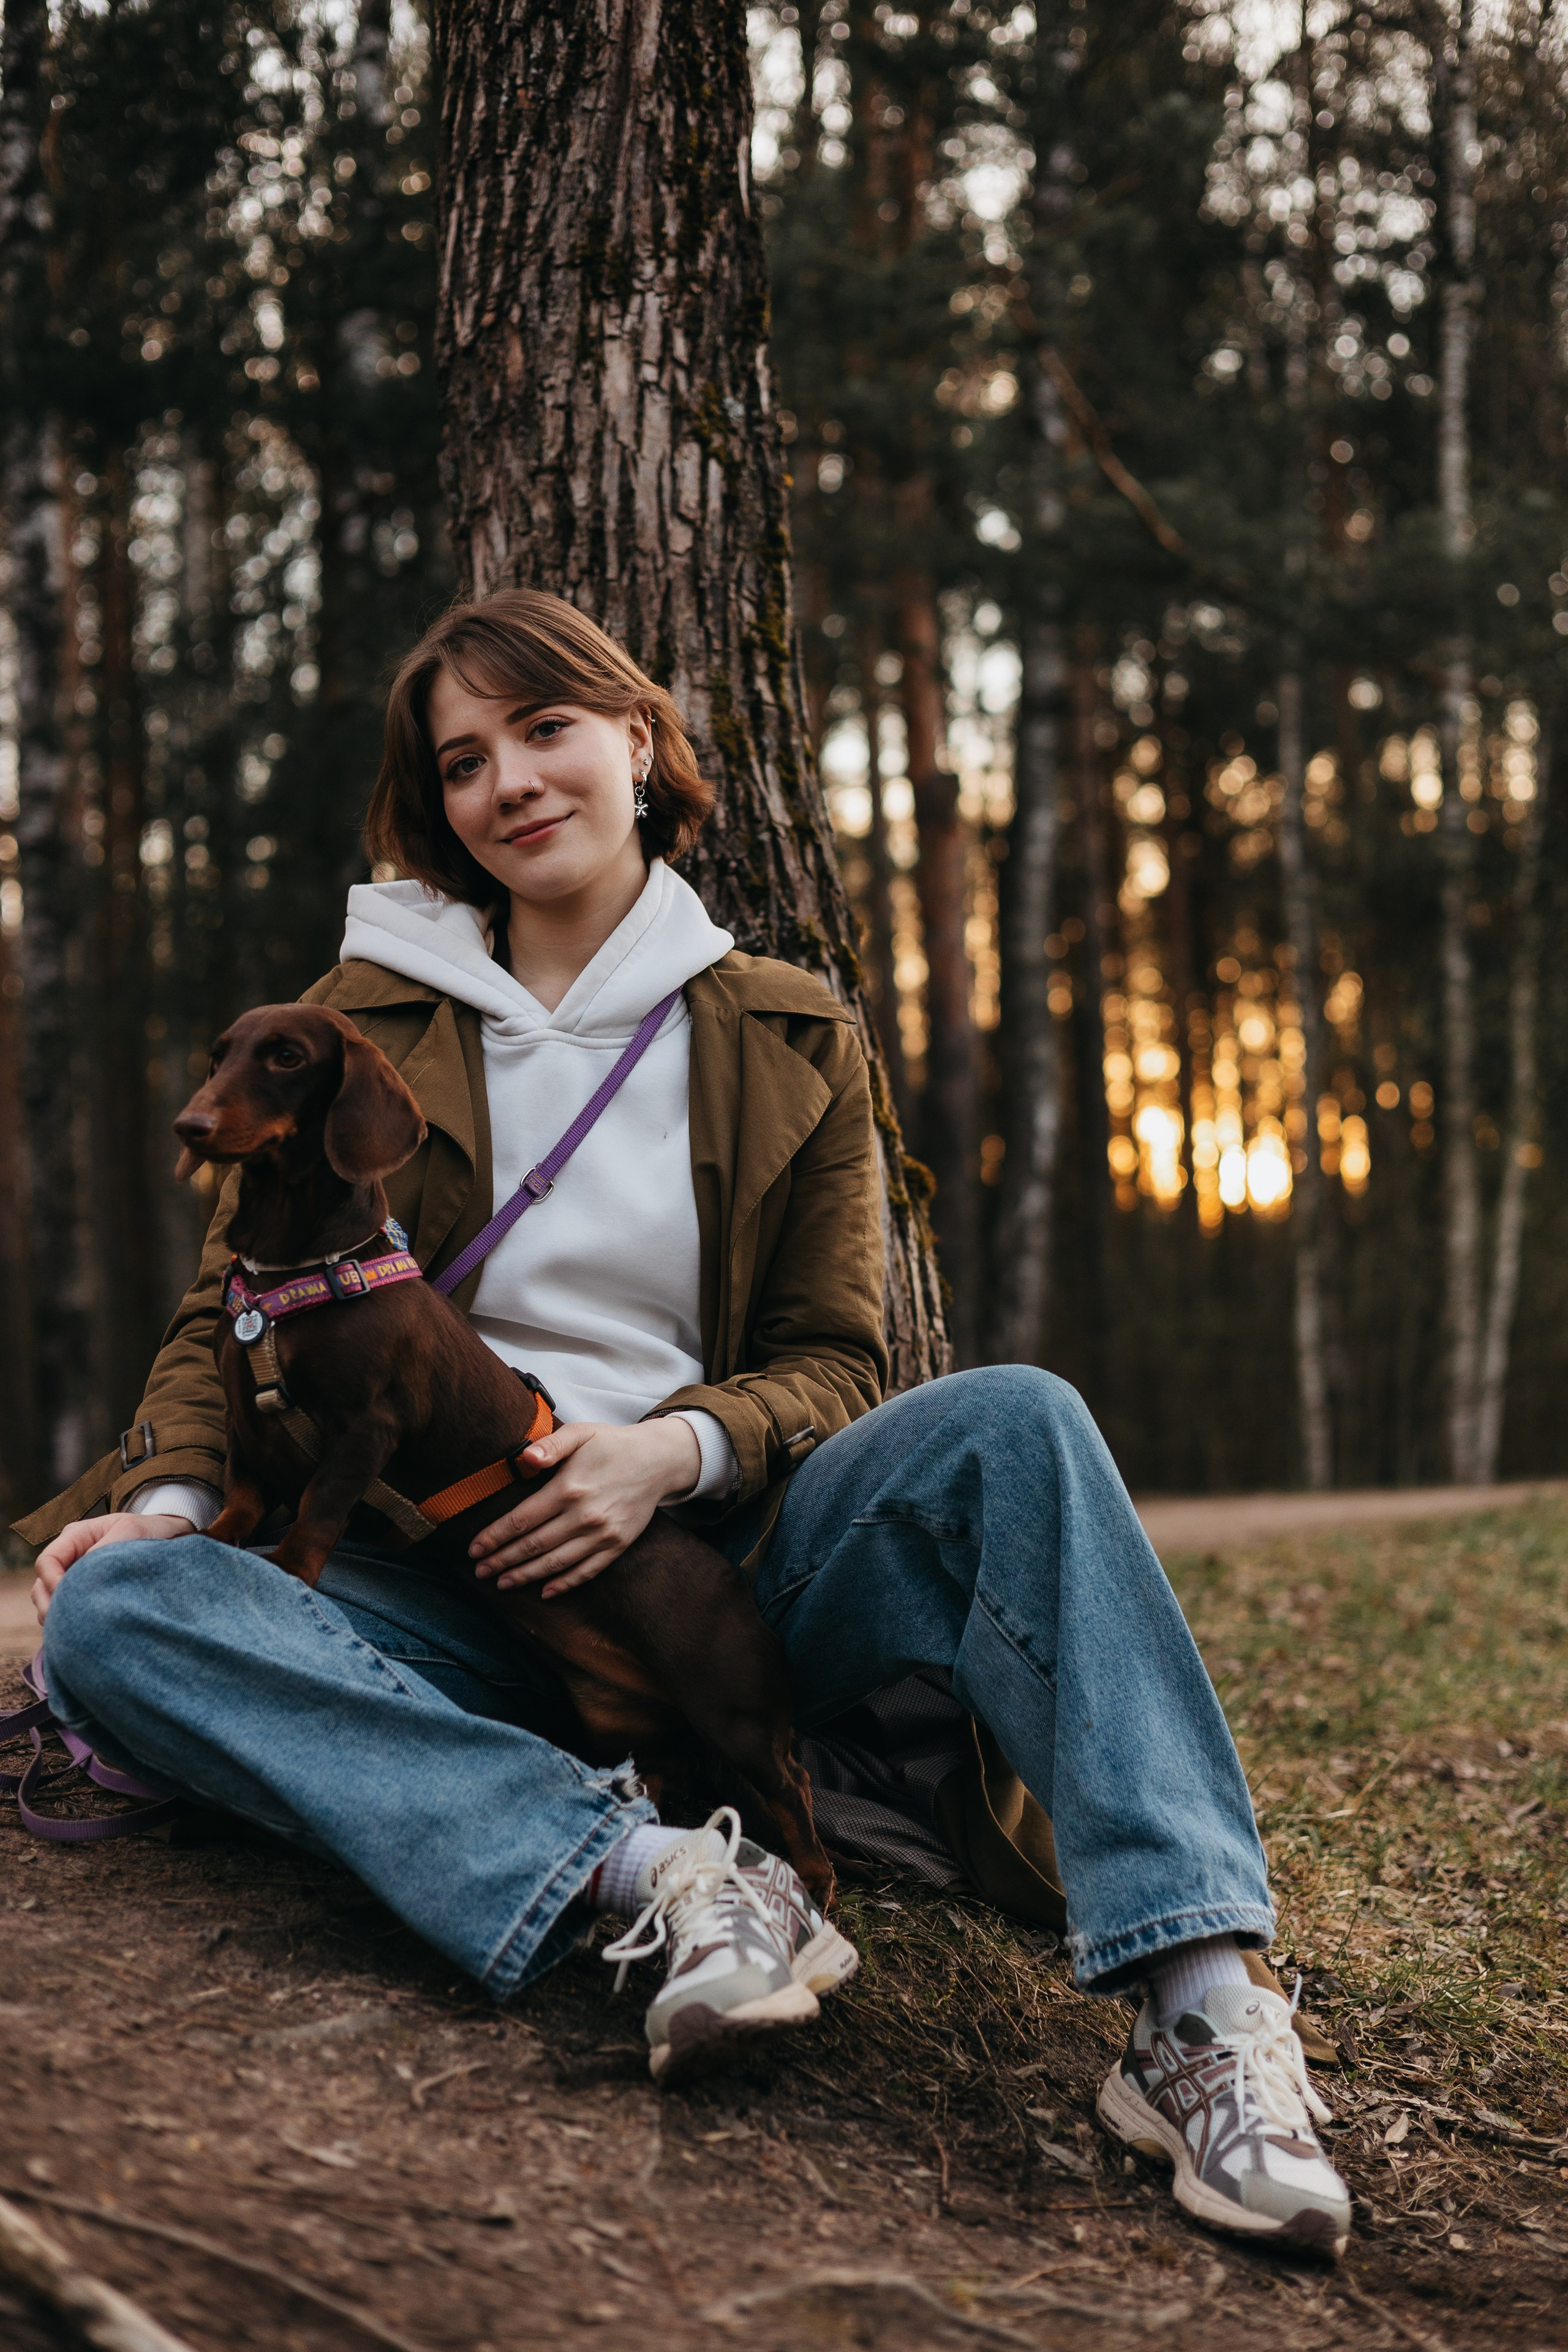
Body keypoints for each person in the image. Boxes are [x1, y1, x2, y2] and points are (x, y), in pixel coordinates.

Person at [17, 589, 1349, 2251]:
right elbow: (231, 1314)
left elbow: (839, 1361)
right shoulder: (366, 1018)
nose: (508, 781)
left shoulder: (789, 1029)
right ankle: (657, 1877)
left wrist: (672, 1452)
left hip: (722, 1569)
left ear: (637, 739)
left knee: (1020, 1420)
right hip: (429, 1583)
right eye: (462, 761)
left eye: (545, 729)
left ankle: (1202, 2011)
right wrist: (157, 1503)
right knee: (128, 1609)